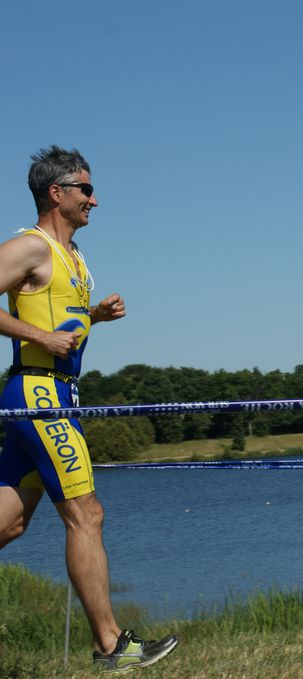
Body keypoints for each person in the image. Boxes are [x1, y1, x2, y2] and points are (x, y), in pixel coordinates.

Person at [0, 146, 178, 671]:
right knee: (86, 514)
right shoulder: (29, 248)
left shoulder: (71, 257)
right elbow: (44, 334)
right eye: (86, 190)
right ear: (57, 194)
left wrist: (93, 317)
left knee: (10, 524)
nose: (95, 200)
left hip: (57, 396)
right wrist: (40, 337)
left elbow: (59, 324)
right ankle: (111, 645)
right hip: (37, 397)